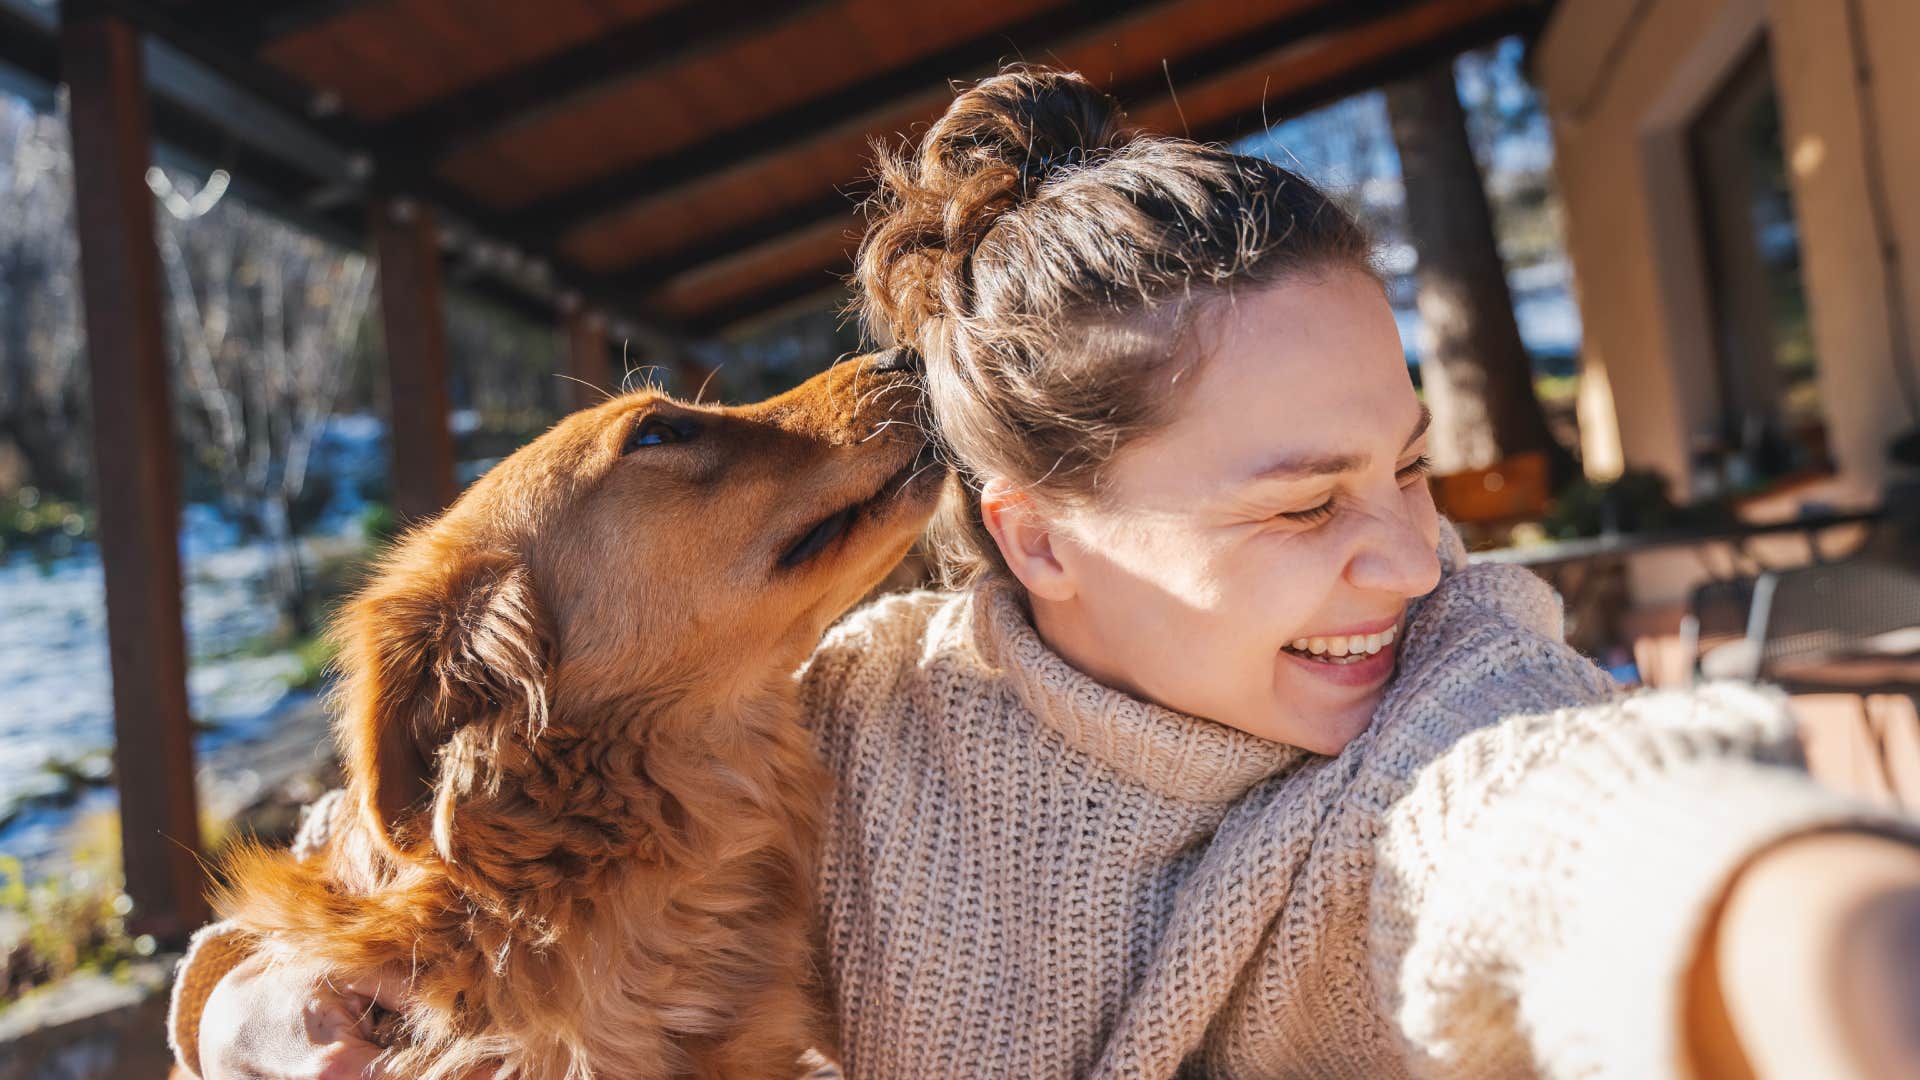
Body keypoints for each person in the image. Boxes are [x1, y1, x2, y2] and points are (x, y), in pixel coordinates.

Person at [172, 66, 1920, 1079]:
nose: (1419, 552)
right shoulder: (831, 727)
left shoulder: (1450, 692)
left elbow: (1574, 818)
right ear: (1036, 537)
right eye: (1301, 505)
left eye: (1407, 467)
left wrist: (1814, 931)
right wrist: (274, 1011)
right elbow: (390, 883)